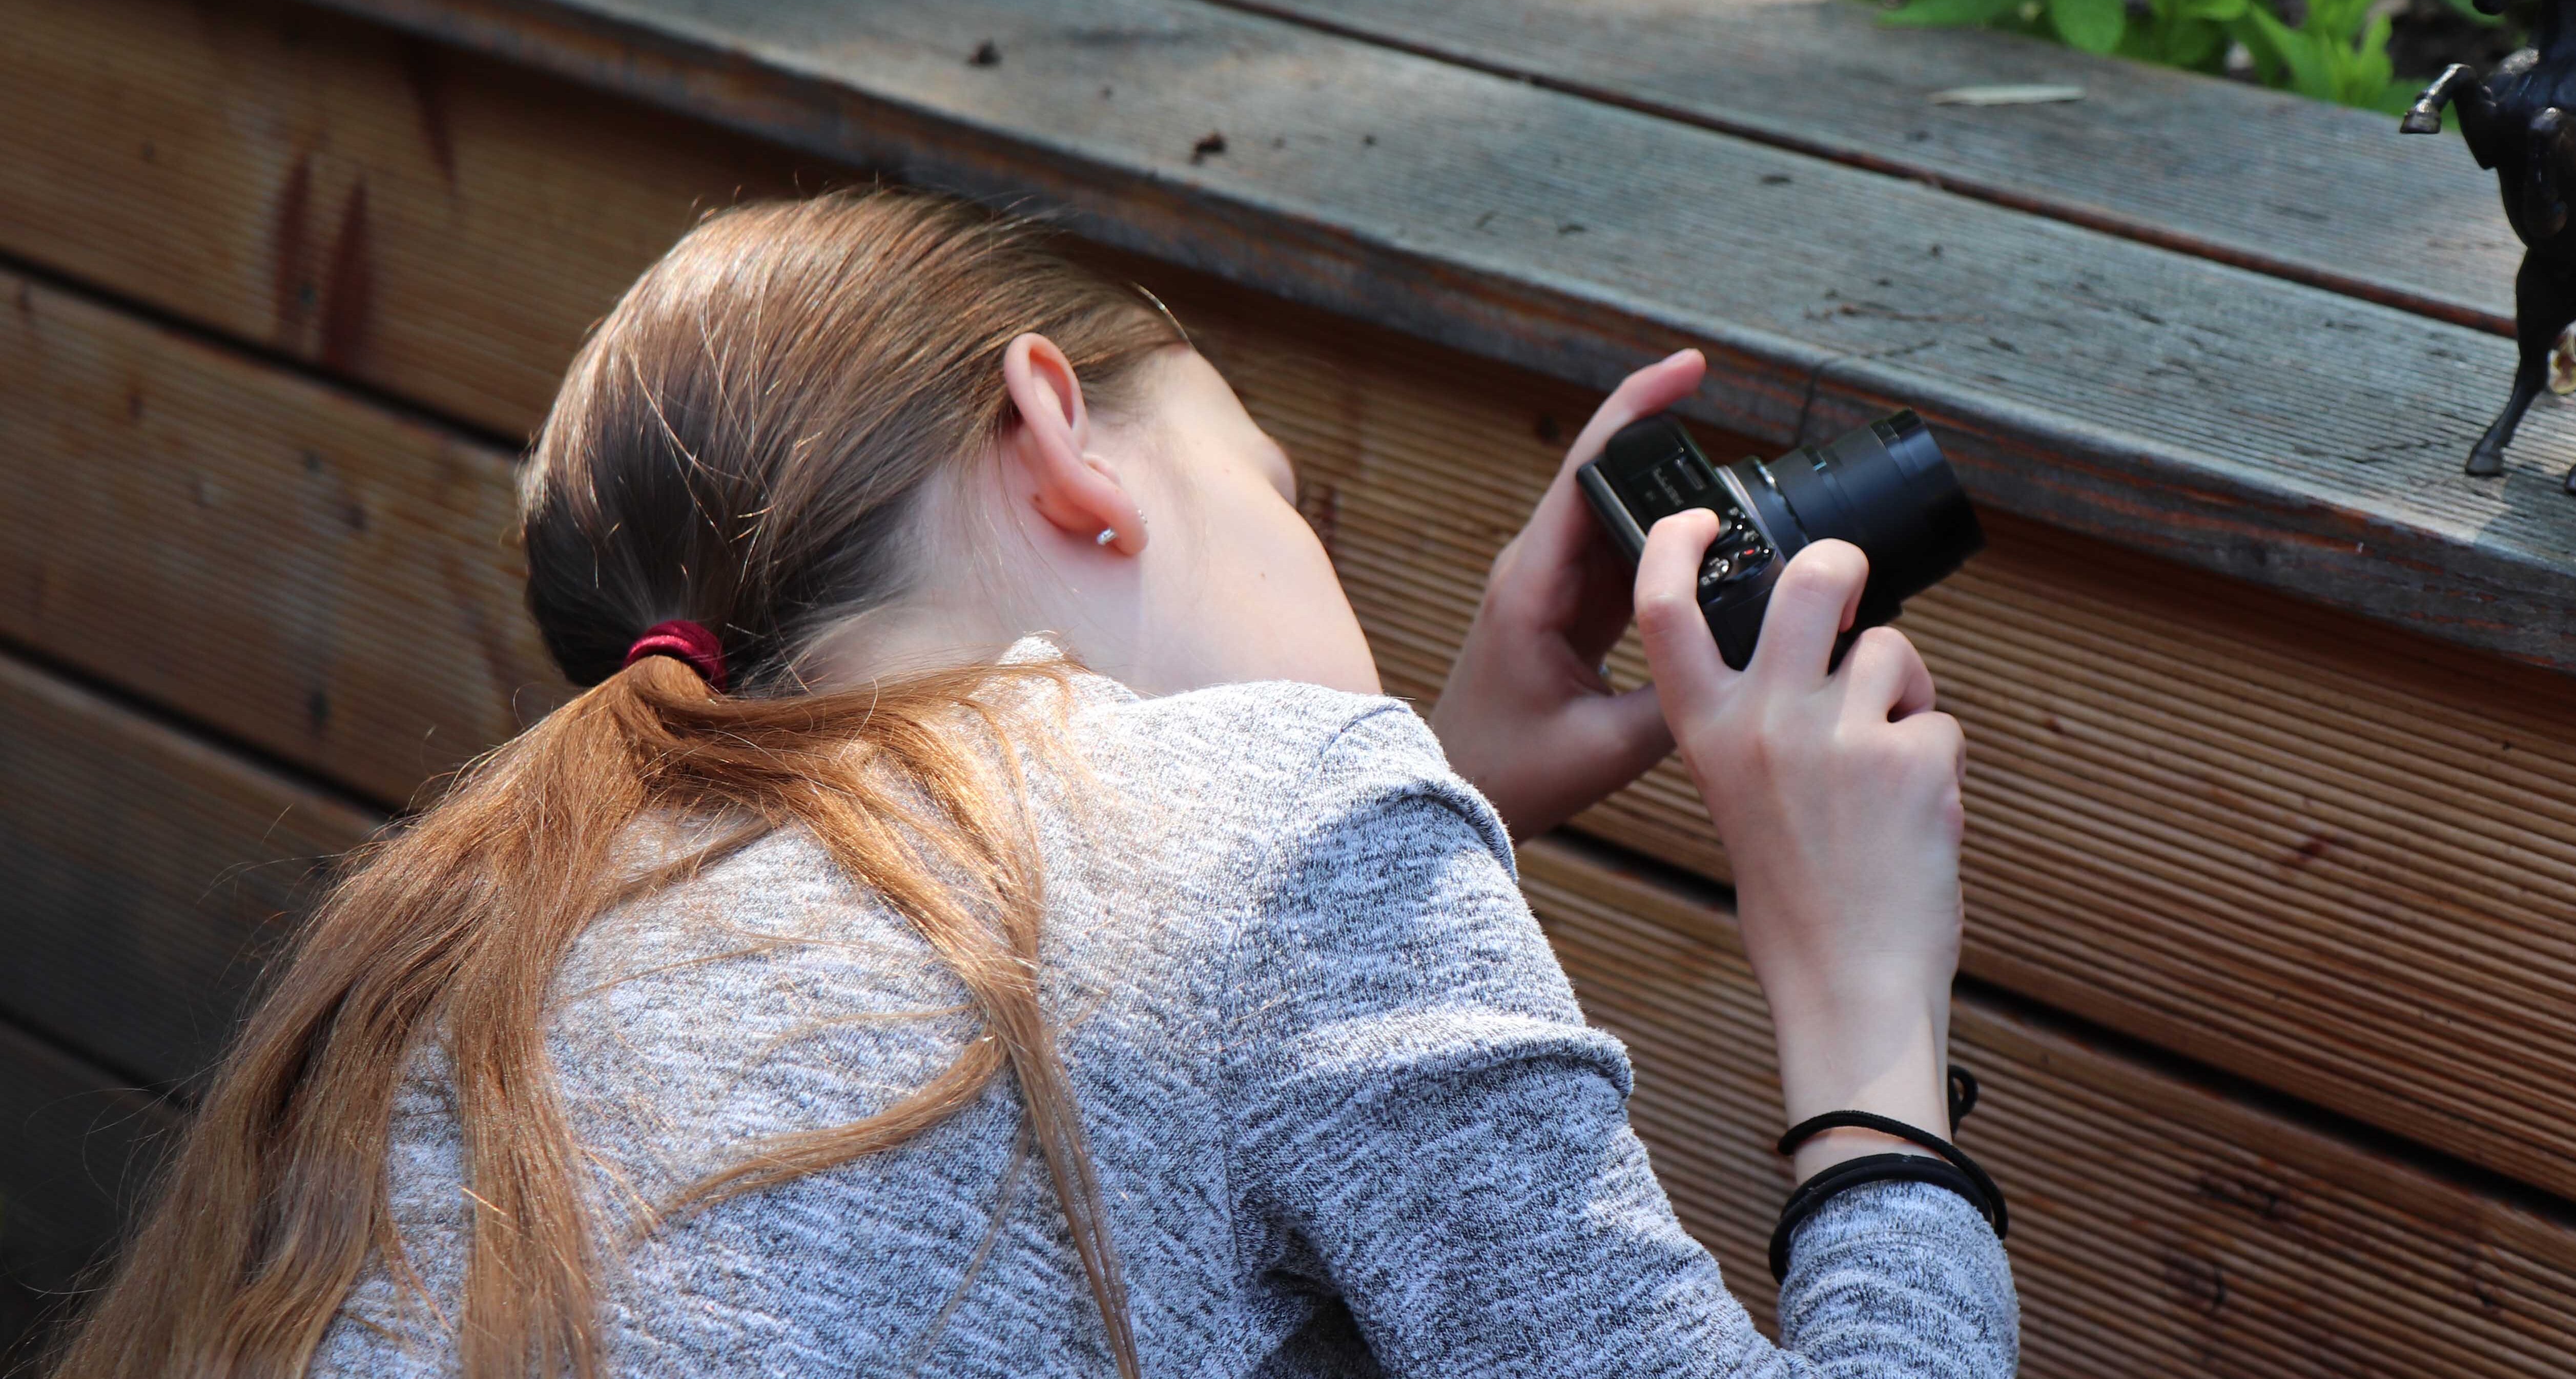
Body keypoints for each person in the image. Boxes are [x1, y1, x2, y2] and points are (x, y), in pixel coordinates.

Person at [51, 190, 2014, 1377]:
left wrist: (1441, 795)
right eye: (1285, 492)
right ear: (1062, 440)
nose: (1311, 553)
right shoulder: (1262, 821)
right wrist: (1866, 1030)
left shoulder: (518, 900)